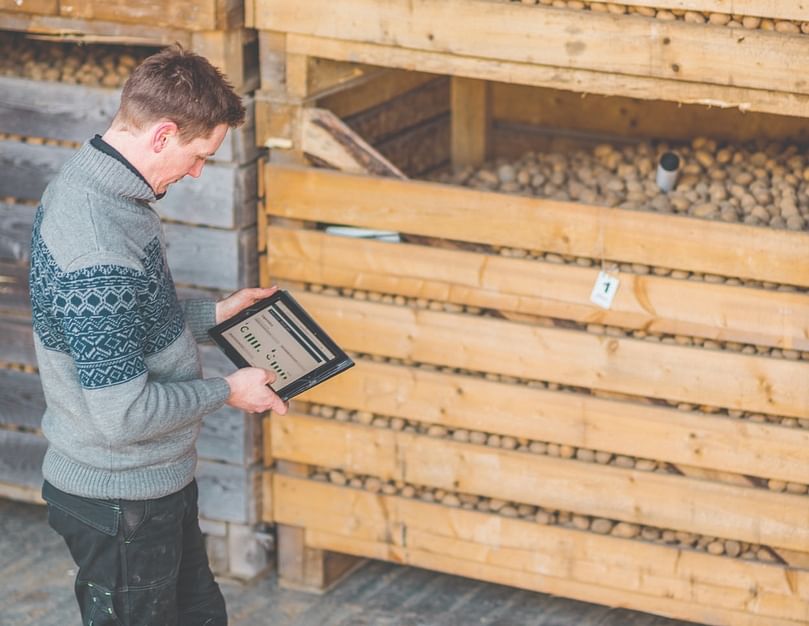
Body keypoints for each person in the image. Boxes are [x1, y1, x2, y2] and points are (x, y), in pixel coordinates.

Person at [28, 44, 286, 625]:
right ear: (163, 134)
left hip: (148, 490)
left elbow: (122, 323)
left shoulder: (104, 188)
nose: (197, 172)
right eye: (198, 156)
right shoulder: (98, 245)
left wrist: (215, 315)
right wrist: (229, 391)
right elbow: (125, 414)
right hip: (122, 501)